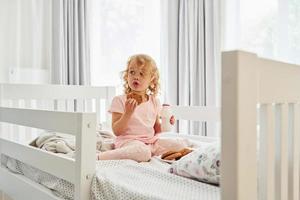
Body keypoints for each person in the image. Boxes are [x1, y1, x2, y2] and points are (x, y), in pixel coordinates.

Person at [98, 54, 188, 162]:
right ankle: (99, 157)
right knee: (143, 152)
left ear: (151, 79)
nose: (136, 76)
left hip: (151, 142)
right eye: (132, 72)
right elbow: (117, 131)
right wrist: (128, 113)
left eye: (141, 74)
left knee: (180, 144)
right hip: (129, 142)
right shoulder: (119, 100)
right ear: (127, 75)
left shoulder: (154, 101)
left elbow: (156, 129)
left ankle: (168, 154)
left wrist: (167, 122)